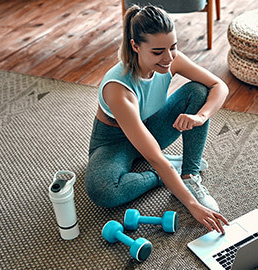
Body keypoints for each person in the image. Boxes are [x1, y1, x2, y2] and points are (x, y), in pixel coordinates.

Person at [85, 4, 229, 233]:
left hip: (150, 126)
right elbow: (154, 157)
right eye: (158, 51)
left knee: (198, 92)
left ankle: (189, 173)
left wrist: (201, 117)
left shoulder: (171, 60)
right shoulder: (118, 89)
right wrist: (192, 206)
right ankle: (165, 175)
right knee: (103, 190)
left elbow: (218, 86)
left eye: (173, 47)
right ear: (135, 46)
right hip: (113, 141)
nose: (168, 57)